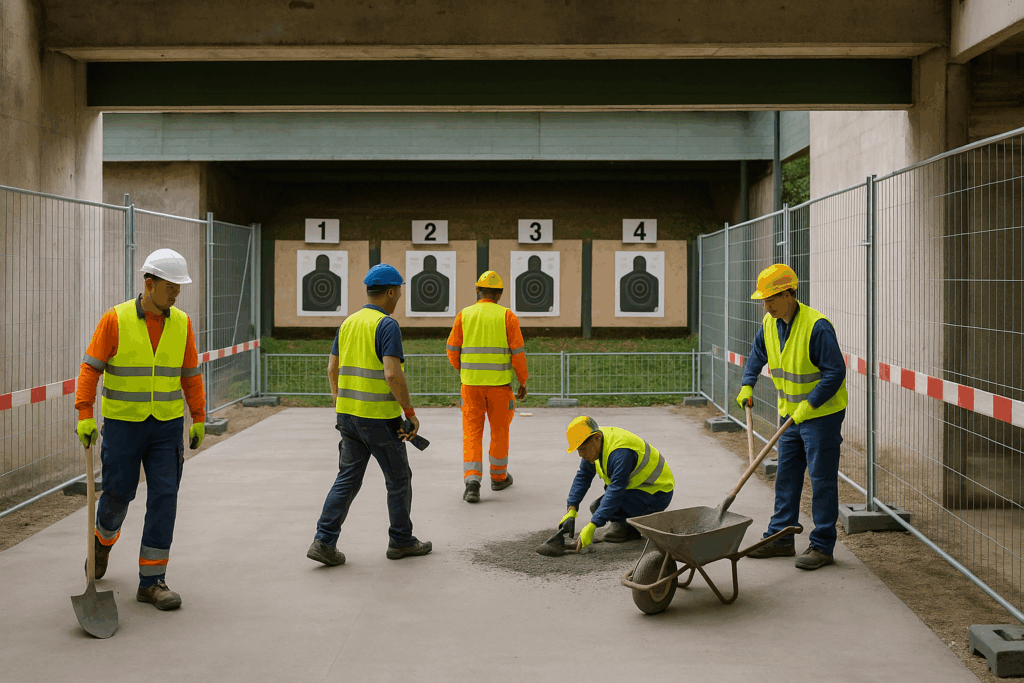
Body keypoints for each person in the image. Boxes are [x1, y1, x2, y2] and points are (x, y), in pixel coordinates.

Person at [75, 248, 205, 611]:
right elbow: (91, 368)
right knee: (118, 495)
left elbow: (191, 373)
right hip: (123, 427)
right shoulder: (115, 319)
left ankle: (152, 581)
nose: (176, 294)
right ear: (149, 284)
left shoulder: (182, 323)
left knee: (165, 497)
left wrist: (198, 416)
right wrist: (85, 413)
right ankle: (102, 541)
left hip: (166, 427)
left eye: (179, 287)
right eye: (170, 287)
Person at [307, 263, 432, 566]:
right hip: (379, 419)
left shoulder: (348, 323)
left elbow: (332, 368)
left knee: (347, 479)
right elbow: (392, 373)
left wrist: (340, 401)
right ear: (390, 292)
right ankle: (401, 540)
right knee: (399, 479)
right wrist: (410, 413)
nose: (399, 296)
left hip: (348, 417)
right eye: (398, 291)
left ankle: (323, 541)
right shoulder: (387, 325)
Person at [736, 263, 847, 570]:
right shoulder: (770, 323)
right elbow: (758, 353)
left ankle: (822, 546)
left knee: (821, 480)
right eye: (763, 300)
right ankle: (781, 538)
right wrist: (747, 384)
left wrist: (809, 406)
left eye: (771, 299)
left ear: (789, 294)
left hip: (821, 416)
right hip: (790, 415)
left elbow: (835, 372)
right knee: (786, 476)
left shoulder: (817, 327)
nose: (766, 306)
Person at [446, 271, 528, 503]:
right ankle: (498, 477)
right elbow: (518, 354)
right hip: (500, 387)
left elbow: (452, 349)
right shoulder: (507, 316)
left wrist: (464, 370)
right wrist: (522, 380)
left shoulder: (464, 315)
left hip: (470, 386)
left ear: (477, 290)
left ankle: (472, 483)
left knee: (472, 432)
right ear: (499, 294)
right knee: (499, 431)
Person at [560, 416, 674, 549]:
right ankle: (629, 526)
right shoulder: (595, 442)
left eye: (583, 449)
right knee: (597, 507)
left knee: (603, 508)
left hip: (657, 493)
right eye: (578, 450)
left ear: (597, 437)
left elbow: (616, 490)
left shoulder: (620, 453)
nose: (580, 454)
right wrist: (572, 508)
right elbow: (583, 476)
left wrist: (593, 525)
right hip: (638, 490)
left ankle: (630, 528)